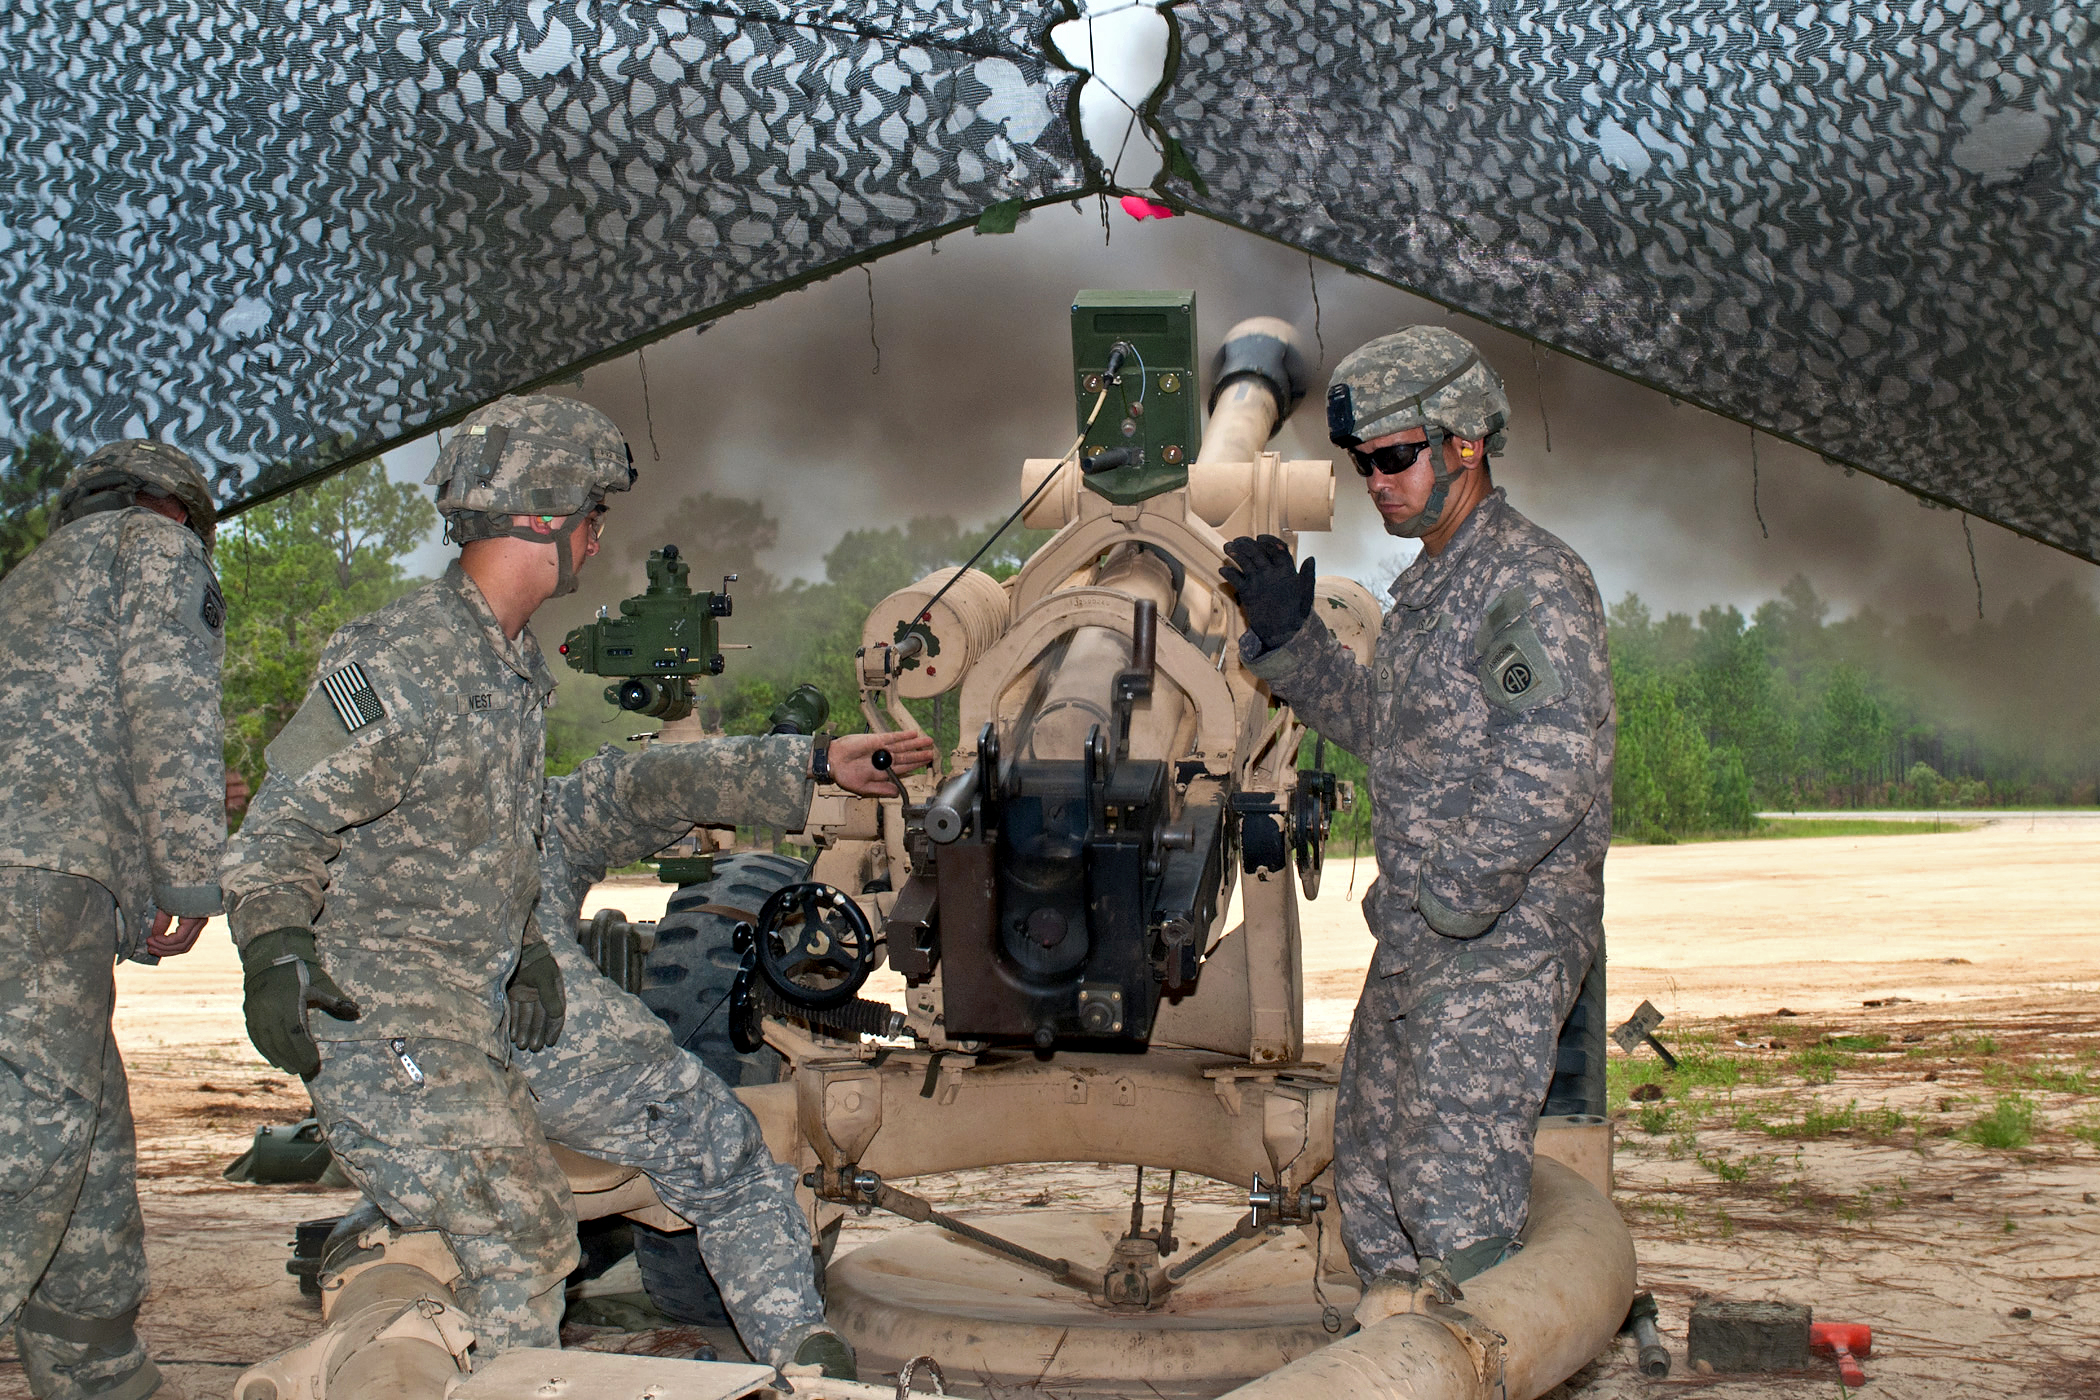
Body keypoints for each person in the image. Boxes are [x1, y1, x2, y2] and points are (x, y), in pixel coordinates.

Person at [221, 395, 915, 1373]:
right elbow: (282, 823)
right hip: (393, 1005)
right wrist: (276, 951)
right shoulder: (395, 660)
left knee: (714, 1138)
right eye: (593, 513)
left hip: (506, 994)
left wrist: (537, 951)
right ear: (542, 515)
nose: (599, 537)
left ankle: (805, 1360)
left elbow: (537, 826)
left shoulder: (510, 668)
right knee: (523, 1232)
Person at [1220, 326, 1614, 1298]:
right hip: (1427, 937)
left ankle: (1480, 1349)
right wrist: (1289, 641)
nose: (1377, 481)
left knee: (1453, 1205)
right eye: (1364, 464)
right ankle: (1401, 1350)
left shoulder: (1525, 581)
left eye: (1395, 456)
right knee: (1372, 1177)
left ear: (1466, 443)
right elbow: (1384, 731)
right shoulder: (1434, 587)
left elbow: (1555, 768)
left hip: (1498, 940)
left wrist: (1446, 895)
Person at [0, 442, 229, 1400]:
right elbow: (170, 711)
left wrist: (127, 894)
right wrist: (188, 882)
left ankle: (93, 1364)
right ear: (179, 508)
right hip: (46, 872)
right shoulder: (157, 552)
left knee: (85, 1116)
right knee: (39, 1125)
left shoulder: (26, 579)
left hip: (44, 877)